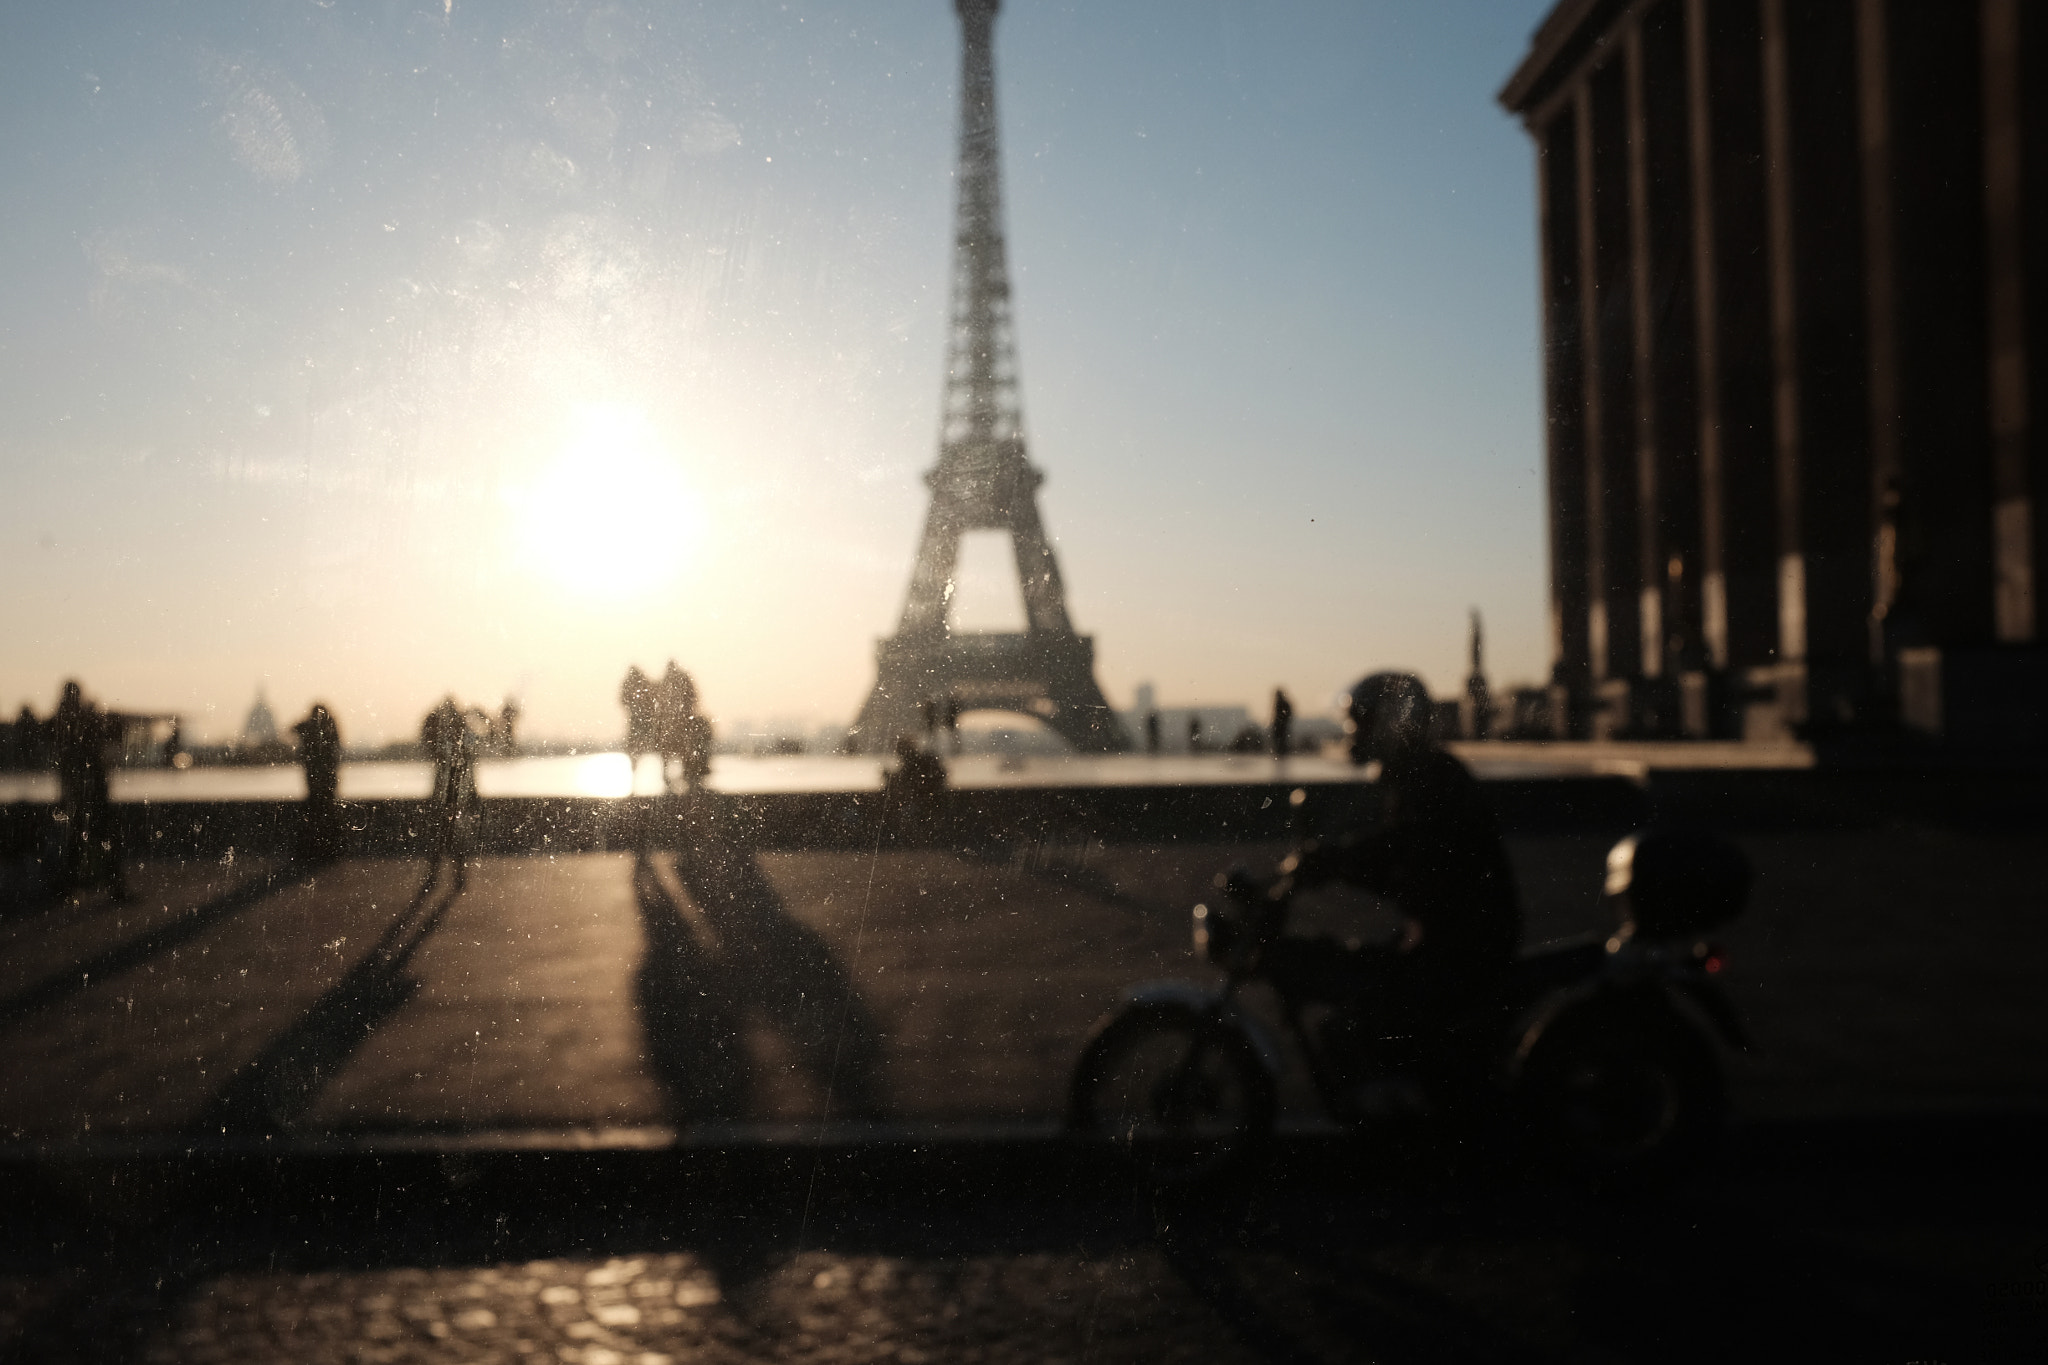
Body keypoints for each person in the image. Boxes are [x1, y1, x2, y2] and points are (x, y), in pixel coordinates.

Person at [1273, 671, 1521, 1033]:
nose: (1354, 731)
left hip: (1463, 945)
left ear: (1391, 723)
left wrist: (1334, 862)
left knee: (1365, 1019)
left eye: (1363, 721)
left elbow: (1405, 849)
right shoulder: (1415, 774)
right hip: (1446, 933)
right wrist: (1338, 860)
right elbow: (1396, 848)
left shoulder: (1431, 778)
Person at [51, 680, 128, 898]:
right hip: (93, 790)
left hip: (80, 790)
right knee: (104, 837)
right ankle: (113, 885)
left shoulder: (63, 721)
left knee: (76, 838)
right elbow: (99, 746)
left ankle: (70, 884)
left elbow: (66, 761)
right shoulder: (83, 719)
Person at [293, 703, 343, 861]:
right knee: (327, 810)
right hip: (326, 776)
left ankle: (317, 849)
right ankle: (330, 850)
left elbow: (293, 729)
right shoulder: (330, 726)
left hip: (316, 776)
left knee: (316, 811)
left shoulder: (312, 727)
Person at [1271, 688, 1294, 757]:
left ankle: (1280, 753)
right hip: (1281, 725)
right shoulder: (1281, 703)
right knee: (1281, 740)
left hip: (1281, 725)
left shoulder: (1281, 703)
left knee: (1280, 740)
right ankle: (1280, 753)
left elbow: (1287, 714)